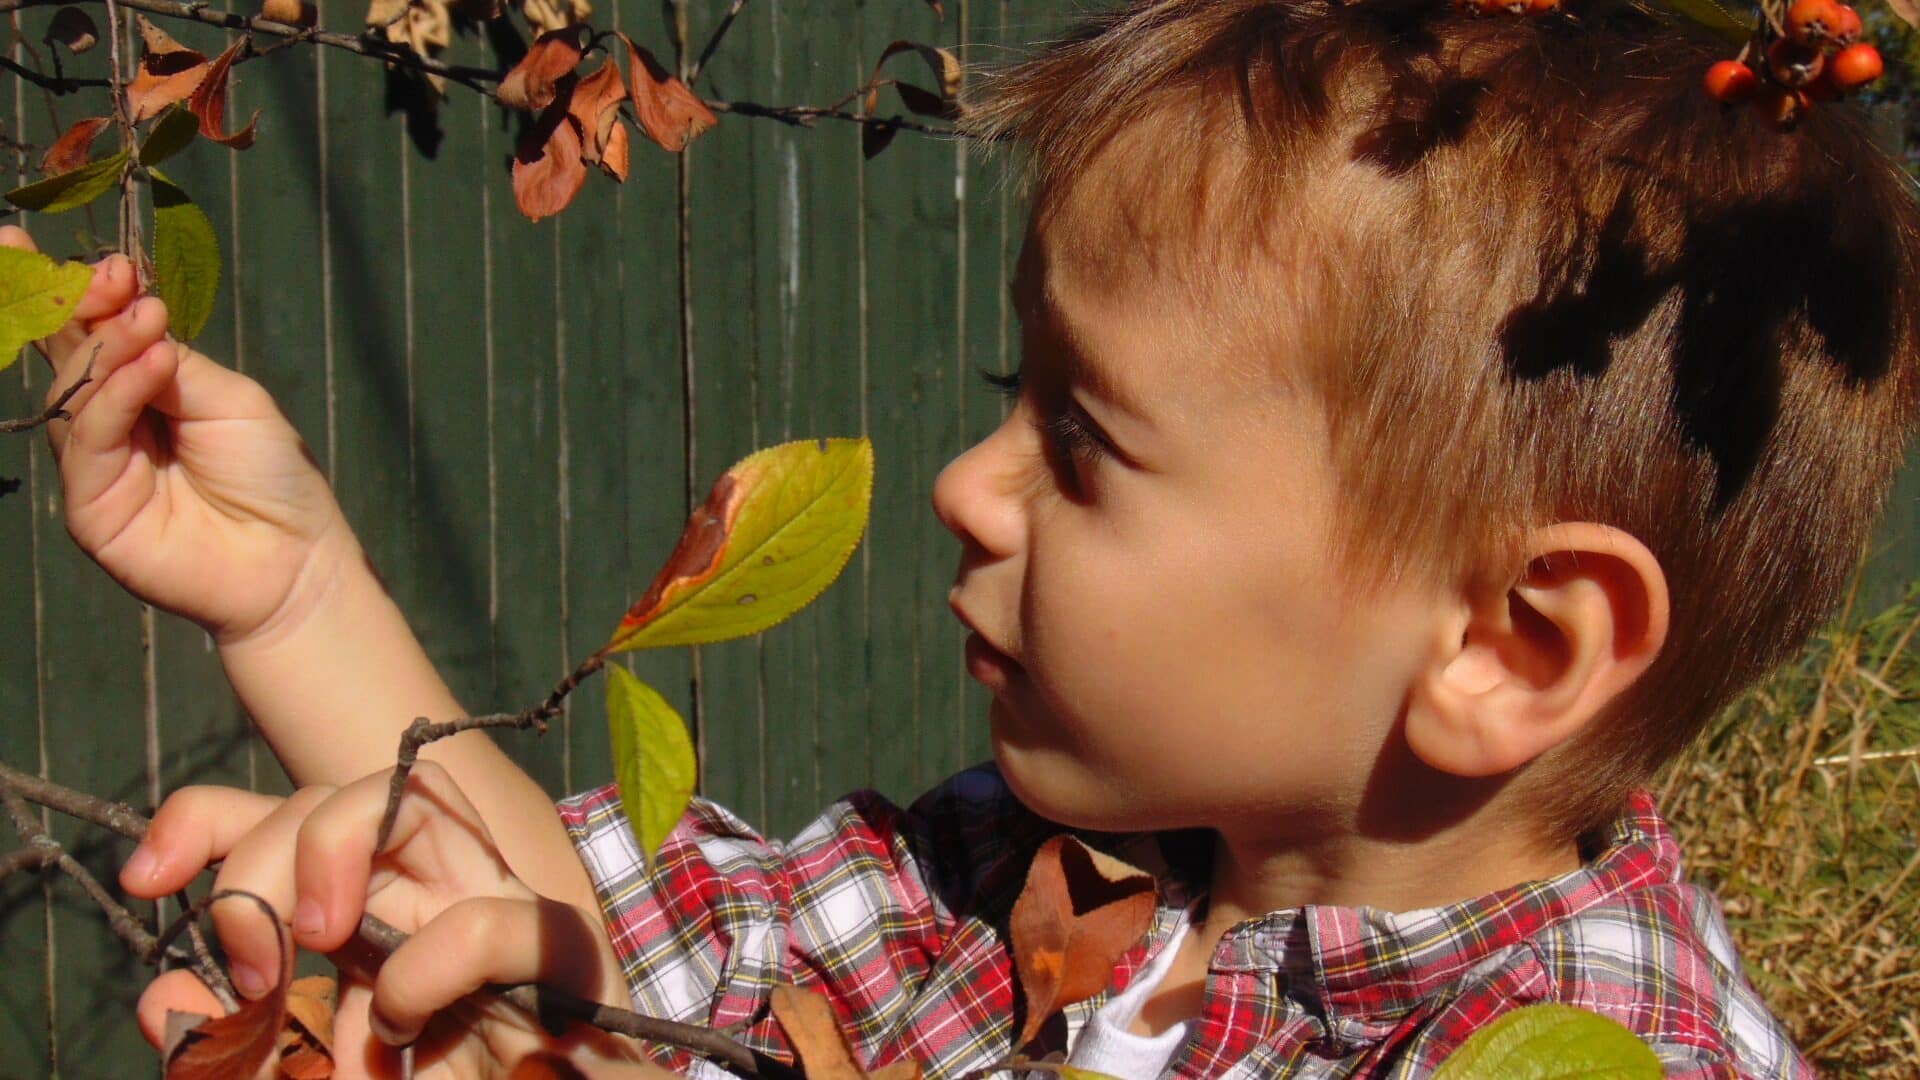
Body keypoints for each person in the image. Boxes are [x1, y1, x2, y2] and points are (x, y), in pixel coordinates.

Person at [9, 0, 1917, 1074]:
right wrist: (297, 590)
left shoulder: (1603, 1057)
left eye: (1080, 441)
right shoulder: (1046, 871)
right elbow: (623, 967)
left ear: (1509, 643)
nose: (963, 483)